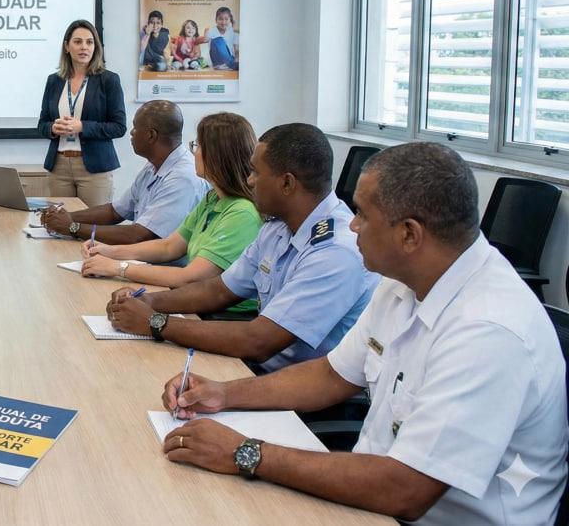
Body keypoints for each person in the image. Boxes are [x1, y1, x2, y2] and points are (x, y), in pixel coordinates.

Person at [157, 143, 568, 525]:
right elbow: (332, 375)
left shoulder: (488, 331)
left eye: (363, 215)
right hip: (372, 503)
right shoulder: (404, 282)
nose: (351, 225)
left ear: (409, 234)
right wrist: (225, 394)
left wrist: (246, 452)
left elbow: (406, 488)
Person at [105, 123, 377, 373]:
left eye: (256, 172)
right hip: (251, 368)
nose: (249, 181)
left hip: (291, 390)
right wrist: (146, 302)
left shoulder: (335, 251)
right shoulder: (277, 227)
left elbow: (259, 342)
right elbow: (220, 290)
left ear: (287, 183)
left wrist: (156, 323)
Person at [81, 112, 262, 297]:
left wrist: (118, 268)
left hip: (220, 315)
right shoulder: (213, 198)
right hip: (193, 297)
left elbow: (189, 277)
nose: (193, 153)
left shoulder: (242, 214)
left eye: (197, 146)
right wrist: (108, 251)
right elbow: (169, 247)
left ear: (217, 156)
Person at [40, 100, 204, 246]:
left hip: (168, 269)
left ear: (151, 135)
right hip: (141, 258)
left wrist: (72, 227)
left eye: (135, 128)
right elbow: (115, 212)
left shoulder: (182, 177)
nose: (131, 133)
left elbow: (139, 235)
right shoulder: (153, 167)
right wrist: (65, 216)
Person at [37, 19, 127, 208]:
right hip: (59, 166)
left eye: (89, 42)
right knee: (59, 226)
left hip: (94, 168)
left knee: (91, 227)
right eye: (77, 42)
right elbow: (42, 124)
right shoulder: (54, 81)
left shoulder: (108, 80)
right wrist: (52, 128)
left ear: (96, 47)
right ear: (67, 46)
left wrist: (82, 127)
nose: (84, 47)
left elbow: (119, 127)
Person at [206, 6, 239, 70]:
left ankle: (232, 64)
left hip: (230, 59)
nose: (223, 22)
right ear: (216, 20)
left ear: (230, 20)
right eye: (220, 19)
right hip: (217, 61)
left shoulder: (232, 31)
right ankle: (231, 65)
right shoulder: (212, 31)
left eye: (226, 19)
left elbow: (236, 50)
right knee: (218, 40)